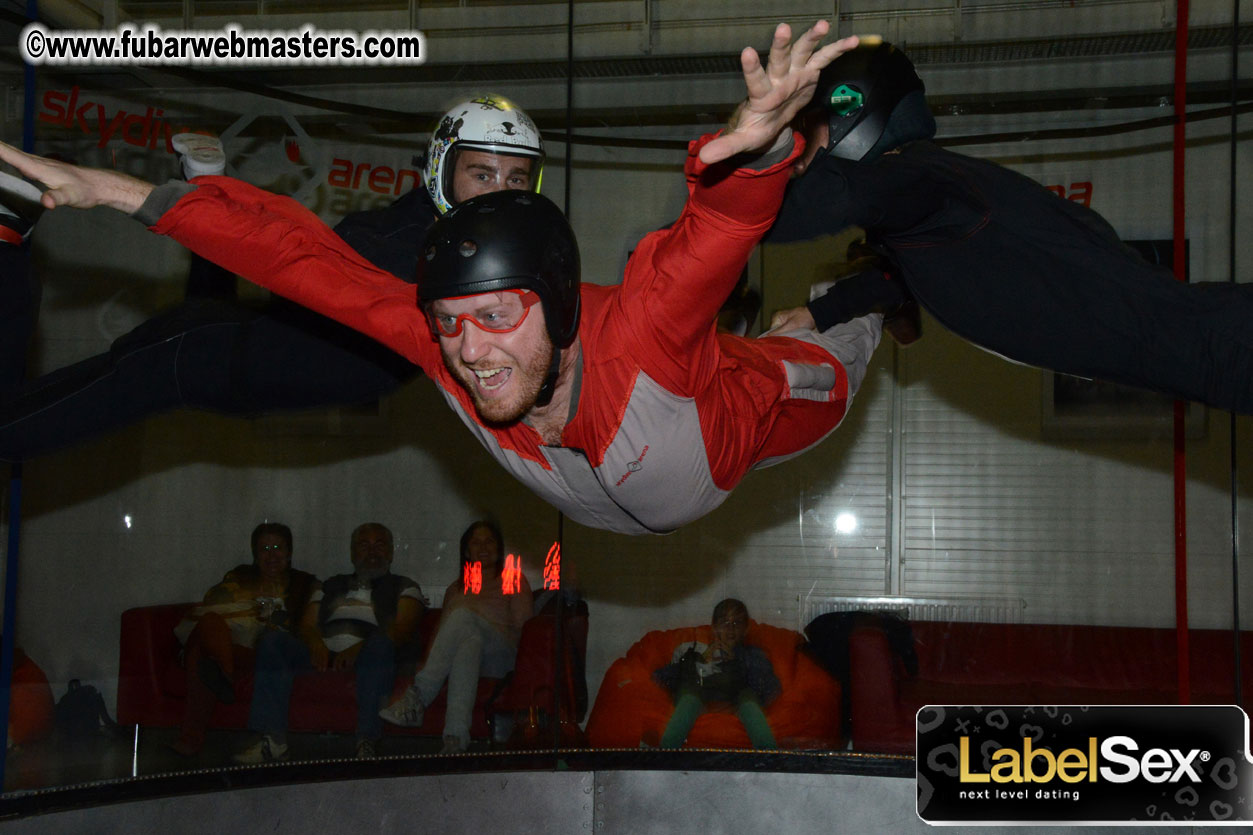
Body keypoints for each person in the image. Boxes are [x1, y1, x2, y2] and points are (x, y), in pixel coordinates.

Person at [0, 21, 881, 536]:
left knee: (813, 334)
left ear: (558, 306)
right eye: (452, 324)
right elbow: (303, 264)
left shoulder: (645, 332)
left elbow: (716, 229)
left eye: (494, 317)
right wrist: (111, 189)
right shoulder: (439, 334)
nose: (471, 352)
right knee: (163, 351)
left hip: (744, 418)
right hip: (606, 475)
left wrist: (758, 145)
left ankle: (872, 292)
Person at [0, 94, 543, 460]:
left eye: (515, 177)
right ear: (443, 171)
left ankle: (206, 184)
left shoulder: (455, 246)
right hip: (190, 356)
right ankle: (9, 236)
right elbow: (288, 256)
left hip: (229, 342)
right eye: (481, 173)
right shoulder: (411, 246)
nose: (500, 191)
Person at [767, 40, 1253, 414]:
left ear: (855, 113)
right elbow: (898, 275)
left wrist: (740, 173)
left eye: (807, 131)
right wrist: (820, 313)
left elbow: (828, 202)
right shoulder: (930, 202)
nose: (797, 155)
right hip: (1205, 357)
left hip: (1221, 346)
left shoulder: (917, 181)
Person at [233, 522, 426, 762]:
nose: (372, 551)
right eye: (364, 545)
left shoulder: (405, 585)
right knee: (273, 640)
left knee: (381, 644)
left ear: (391, 552)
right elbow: (307, 624)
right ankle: (272, 740)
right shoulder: (330, 584)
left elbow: (402, 629)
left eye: (380, 545)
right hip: (324, 652)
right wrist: (316, 645)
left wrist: (358, 649)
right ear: (353, 553)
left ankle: (367, 742)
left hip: (370, 654)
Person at [379, 519, 533, 754]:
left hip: (502, 656)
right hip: (472, 652)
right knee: (469, 642)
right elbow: (442, 631)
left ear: (499, 548)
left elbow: (524, 628)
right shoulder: (456, 588)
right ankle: (455, 740)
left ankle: (418, 696)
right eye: (476, 542)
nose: (483, 546)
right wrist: (428, 659)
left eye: (489, 541)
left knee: (463, 617)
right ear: (467, 551)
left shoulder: (513, 579)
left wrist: (479, 617)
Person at [170, 521, 317, 757]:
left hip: (265, 652)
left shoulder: (304, 583)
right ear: (255, 555)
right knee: (209, 623)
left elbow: (307, 630)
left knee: (202, 656)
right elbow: (214, 602)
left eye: (278, 548)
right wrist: (251, 602)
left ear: (289, 553)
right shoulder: (240, 576)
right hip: (233, 646)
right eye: (264, 549)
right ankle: (225, 673)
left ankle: (191, 737)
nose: (272, 555)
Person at [652, 599, 780, 749]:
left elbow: (770, 689)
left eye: (737, 623)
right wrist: (699, 661)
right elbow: (662, 677)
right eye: (724, 622)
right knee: (688, 696)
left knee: (749, 700)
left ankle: (770, 759)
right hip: (698, 699)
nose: (730, 629)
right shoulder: (697, 652)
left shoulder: (752, 654)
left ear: (745, 629)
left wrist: (734, 662)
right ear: (714, 628)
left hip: (739, 702)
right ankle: (664, 756)